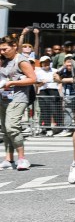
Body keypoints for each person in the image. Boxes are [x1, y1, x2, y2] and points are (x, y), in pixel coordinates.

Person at [0, 36, 37, 170]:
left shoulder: (21, 60)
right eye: (0, 49)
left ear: (14, 46)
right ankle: (9, 159)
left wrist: (12, 82)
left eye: (5, 49)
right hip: (4, 97)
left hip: (18, 97)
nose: (2, 52)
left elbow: (33, 79)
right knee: (5, 129)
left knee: (12, 127)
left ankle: (22, 159)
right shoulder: (4, 60)